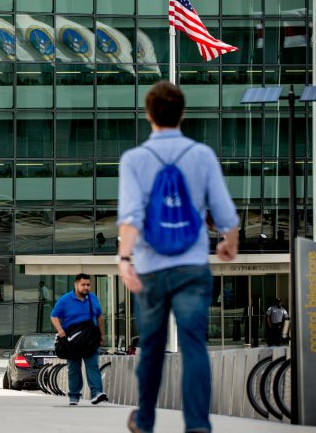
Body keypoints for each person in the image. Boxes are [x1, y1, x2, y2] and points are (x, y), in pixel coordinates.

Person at [117, 80, 239, 433]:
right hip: (192, 266)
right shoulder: (201, 155)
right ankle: (198, 426)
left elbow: (132, 217)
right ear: (182, 114)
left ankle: (145, 420)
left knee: (152, 348)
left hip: (151, 269)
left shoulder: (134, 160)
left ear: (148, 115)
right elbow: (225, 212)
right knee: (193, 345)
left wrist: (125, 260)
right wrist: (228, 241)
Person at [50, 273, 107, 406]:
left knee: (92, 366)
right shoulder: (65, 300)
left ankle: (97, 393)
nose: (86, 287)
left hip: (90, 338)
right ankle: (74, 396)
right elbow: (54, 315)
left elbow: (100, 317)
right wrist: (60, 330)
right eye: (83, 284)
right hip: (73, 340)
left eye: (88, 284)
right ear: (76, 285)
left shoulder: (93, 298)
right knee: (74, 368)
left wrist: (102, 335)